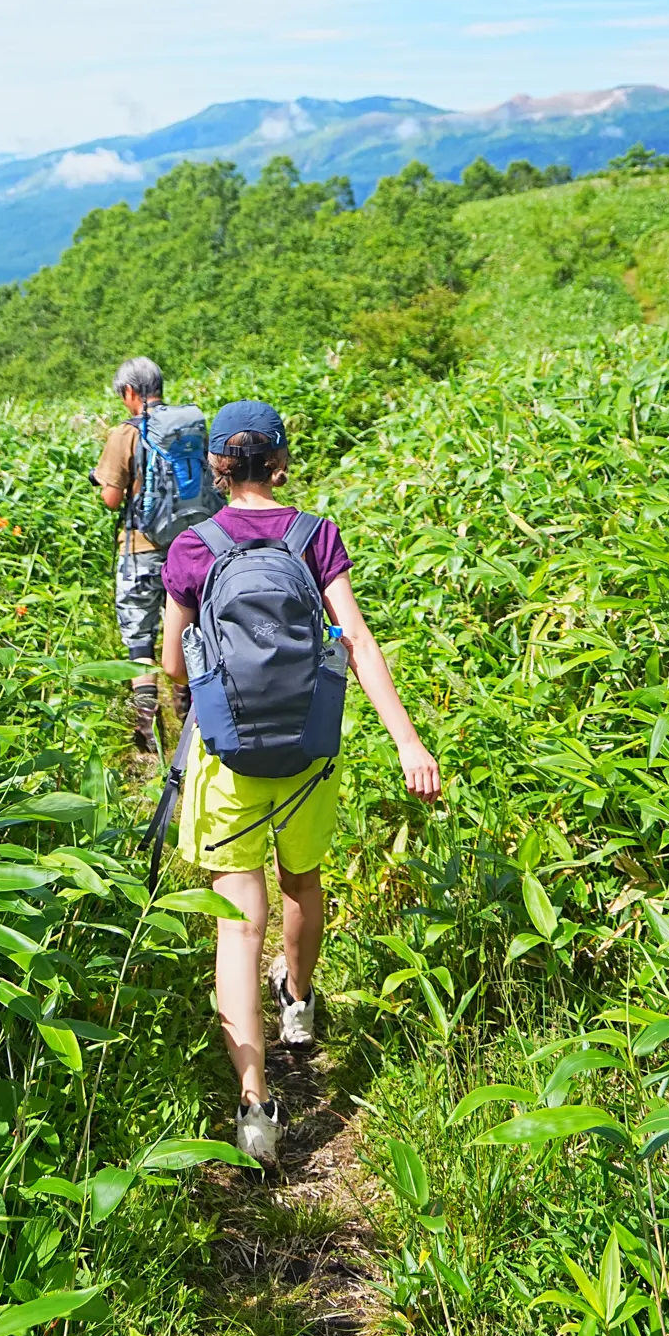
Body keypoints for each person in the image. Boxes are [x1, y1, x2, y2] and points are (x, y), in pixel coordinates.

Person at [160, 399, 441, 1170]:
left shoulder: (191, 546)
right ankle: (298, 1005)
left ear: (216, 467)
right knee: (303, 879)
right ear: (281, 461)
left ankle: (254, 1105)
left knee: (235, 923)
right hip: (310, 748)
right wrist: (407, 739)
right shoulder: (315, 536)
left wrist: (178, 710)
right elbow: (357, 642)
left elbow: (174, 664)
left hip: (229, 752)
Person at [92, 355, 219, 752]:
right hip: (194, 546)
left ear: (130, 392)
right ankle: (194, 725)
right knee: (190, 636)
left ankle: (148, 738)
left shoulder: (126, 433)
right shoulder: (190, 426)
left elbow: (111, 499)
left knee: (139, 642)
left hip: (141, 549)